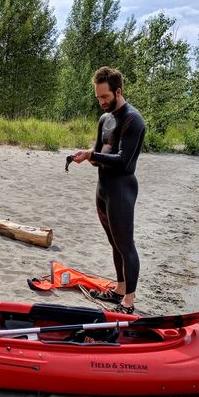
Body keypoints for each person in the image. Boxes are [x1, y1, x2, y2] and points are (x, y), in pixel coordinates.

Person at [71, 66, 146, 314]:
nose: (101, 102)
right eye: (98, 97)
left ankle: (129, 301)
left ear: (118, 91)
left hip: (122, 188)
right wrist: (87, 156)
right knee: (114, 242)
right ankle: (119, 290)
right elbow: (100, 153)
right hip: (103, 188)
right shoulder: (105, 119)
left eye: (105, 96)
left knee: (126, 245)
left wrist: (94, 155)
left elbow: (124, 160)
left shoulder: (133, 119)